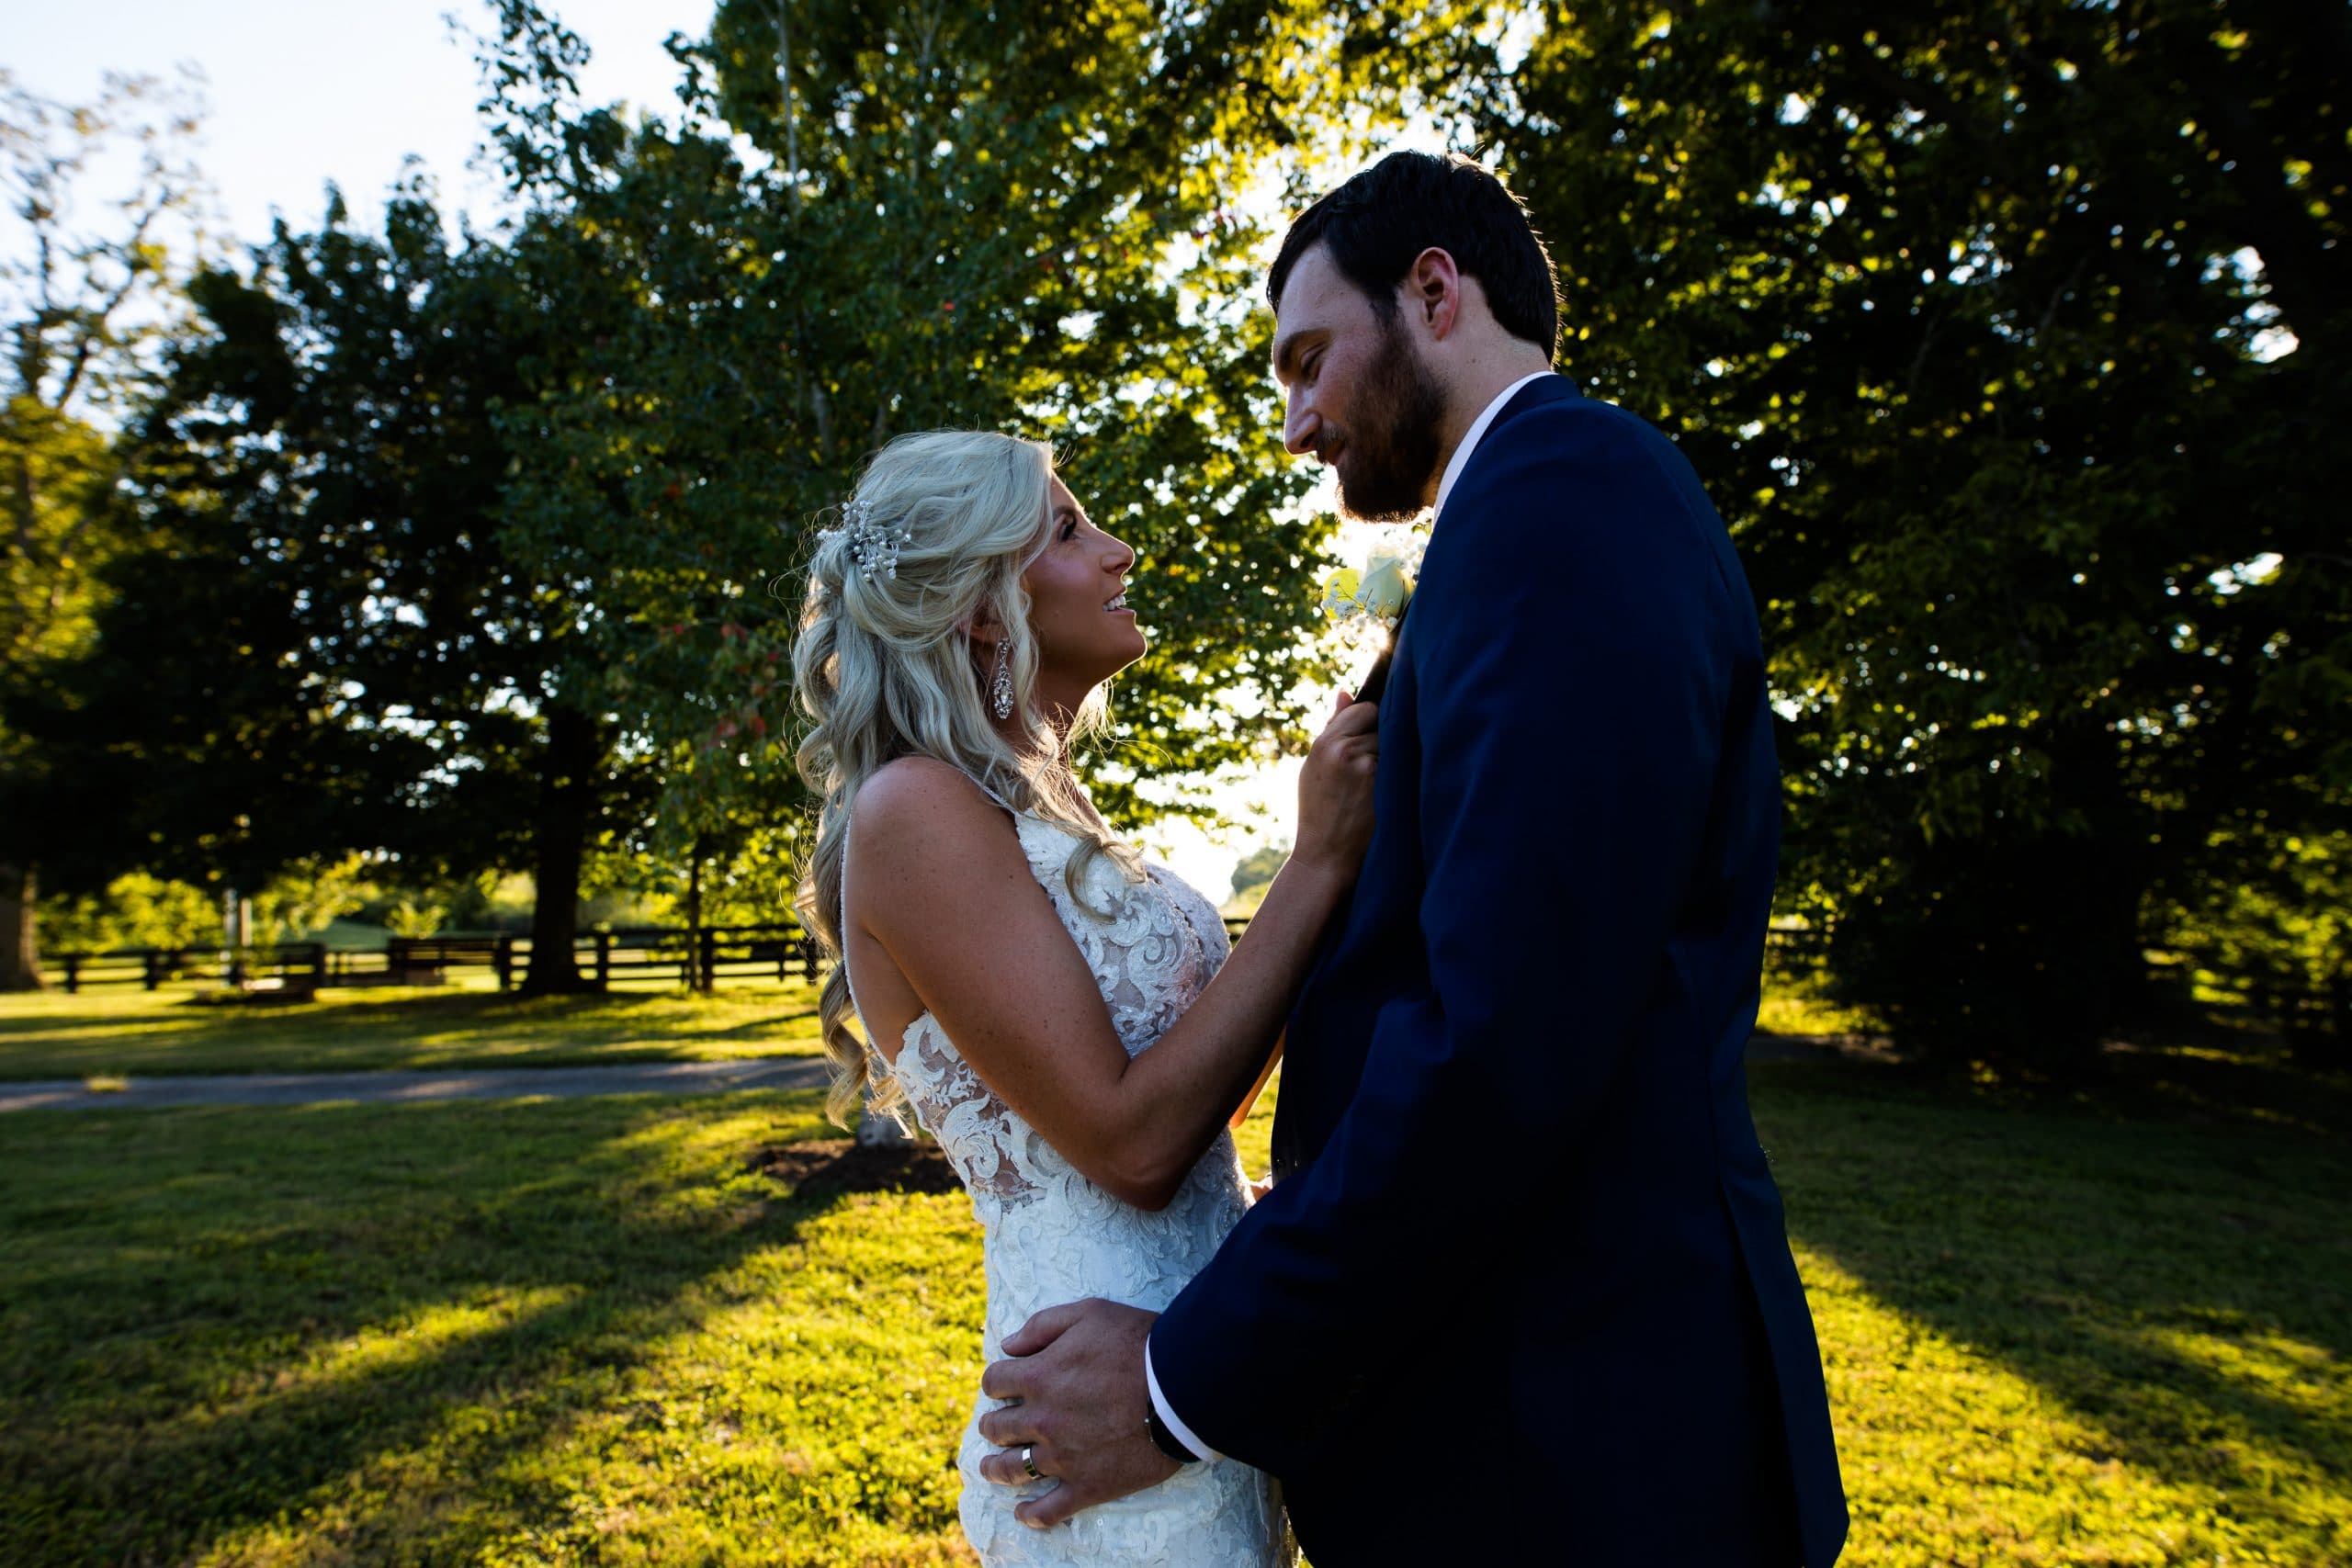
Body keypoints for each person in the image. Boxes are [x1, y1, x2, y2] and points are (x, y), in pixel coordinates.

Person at [970, 152, 1850, 1565]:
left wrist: (1181, 1381)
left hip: (1577, 1444)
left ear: (1435, 290)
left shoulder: (1566, 497)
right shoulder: (1525, 520)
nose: (1299, 422)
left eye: (1308, 361)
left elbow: (1500, 1041)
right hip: (1520, 1414)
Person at [791, 428, 1379, 1564]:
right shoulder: (916, 809)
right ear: (976, 606)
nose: (1117, 551)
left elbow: (1196, 1090)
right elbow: (1131, 1143)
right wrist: (1315, 864)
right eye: (1066, 529)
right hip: (1087, 1411)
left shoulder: (1039, 812)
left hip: (1194, 1380)